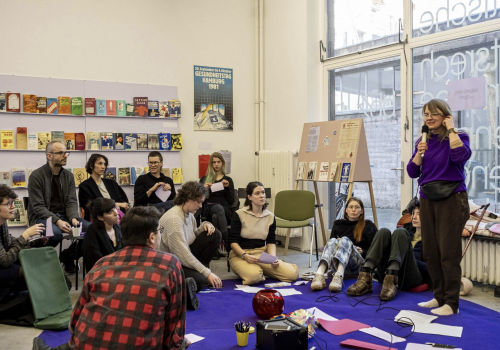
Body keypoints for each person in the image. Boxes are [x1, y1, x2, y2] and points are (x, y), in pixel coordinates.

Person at [32, 206, 193, 350]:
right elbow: (174, 324)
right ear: (151, 237)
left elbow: (75, 321)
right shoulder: (169, 264)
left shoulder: (102, 264)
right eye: (160, 231)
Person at [407, 98, 470, 316]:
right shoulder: (422, 141)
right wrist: (418, 153)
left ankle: (451, 304)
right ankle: (438, 296)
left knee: (448, 254)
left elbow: (460, 157)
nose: (429, 118)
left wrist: (451, 130)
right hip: (427, 198)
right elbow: (412, 172)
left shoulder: (459, 136)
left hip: (452, 198)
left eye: (434, 114)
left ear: (445, 116)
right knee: (430, 252)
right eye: (425, 114)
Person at [347, 199, 431, 300]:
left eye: (419, 213)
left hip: (411, 278)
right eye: (413, 213)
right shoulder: (409, 235)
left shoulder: (431, 241)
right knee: (384, 231)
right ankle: (365, 277)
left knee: (400, 232)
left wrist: (406, 256)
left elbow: (430, 268)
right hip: (386, 277)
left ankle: (392, 278)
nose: (414, 217)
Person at [27, 141, 90, 274]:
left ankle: (68, 257)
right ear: (49, 156)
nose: (65, 155)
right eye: (60, 153)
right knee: (55, 234)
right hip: (43, 217)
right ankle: (39, 263)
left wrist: (73, 217)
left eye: (66, 152)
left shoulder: (69, 176)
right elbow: (38, 207)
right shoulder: (36, 176)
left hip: (66, 216)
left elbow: (72, 201)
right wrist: (57, 221)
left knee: (92, 230)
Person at [229, 181, 298, 285]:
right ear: (249, 197)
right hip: (241, 255)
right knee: (254, 277)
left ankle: (259, 269)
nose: (261, 196)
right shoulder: (239, 214)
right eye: (257, 193)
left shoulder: (270, 216)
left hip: (261, 254)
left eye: (263, 192)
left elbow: (271, 241)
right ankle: (254, 270)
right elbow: (233, 242)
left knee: (292, 274)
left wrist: (273, 258)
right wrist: (245, 256)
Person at [159, 181, 223, 293]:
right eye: (198, 202)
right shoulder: (174, 219)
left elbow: (192, 237)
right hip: (168, 264)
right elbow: (182, 254)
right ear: (188, 198)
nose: (200, 206)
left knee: (215, 234)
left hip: (180, 256)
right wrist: (207, 273)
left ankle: (201, 273)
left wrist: (205, 226)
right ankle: (200, 275)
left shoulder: (189, 214)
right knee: (199, 281)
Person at [311, 197, 377, 292]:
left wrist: (363, 251)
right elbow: (331, 247)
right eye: (351, 207)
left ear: (362, 211)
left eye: (357, 207)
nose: (353, 210)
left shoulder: (368, 225)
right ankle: (319, 274)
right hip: (336, 264)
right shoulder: (338, 224)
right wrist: (338, 244)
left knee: (345, 239)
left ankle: (339, 276)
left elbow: (375, 250)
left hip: (358, 266)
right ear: (346, 210)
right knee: (334, 240)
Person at [0, 186, 45, 314]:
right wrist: (25, 236)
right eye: (8, 204)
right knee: (29, 272)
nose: (13, 206)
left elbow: (11, 242)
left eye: (13, 203)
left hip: (3, 266)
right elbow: (5, 261)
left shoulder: (2, 223)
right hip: (2, 267)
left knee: (32, 264)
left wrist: (32, 240)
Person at [200, 152, 235, 255]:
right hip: (209, 206)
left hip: (224, 209)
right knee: (217, 209)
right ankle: (227, 241)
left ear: (222, 163)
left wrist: (227, 188)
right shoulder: (204, 179)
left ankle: (215, 248)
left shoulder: (228, 179)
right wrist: (204, 189)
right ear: (211, 164)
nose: (216, 164)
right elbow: (199, 199)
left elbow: (232, 200)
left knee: (216, 215)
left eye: (218, 162)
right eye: (214, 162)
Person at [78, 154, 129, 221]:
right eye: (100, 163)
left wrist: (118, 208)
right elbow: (92, 206)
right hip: (99, 219)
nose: (103, 167)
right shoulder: (84, 186)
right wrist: (115, 204)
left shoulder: (111, 183)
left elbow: (124, 202)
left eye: (104, 164)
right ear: (91, 166)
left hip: (117, 216)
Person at [83, 198, 123, 272]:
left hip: (118, 270)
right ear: (100, 217)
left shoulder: (118, 227)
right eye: (110, 212)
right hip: (101, 273)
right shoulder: (92, 230)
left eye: (114, 208)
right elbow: (94, 259)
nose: (116, 213)